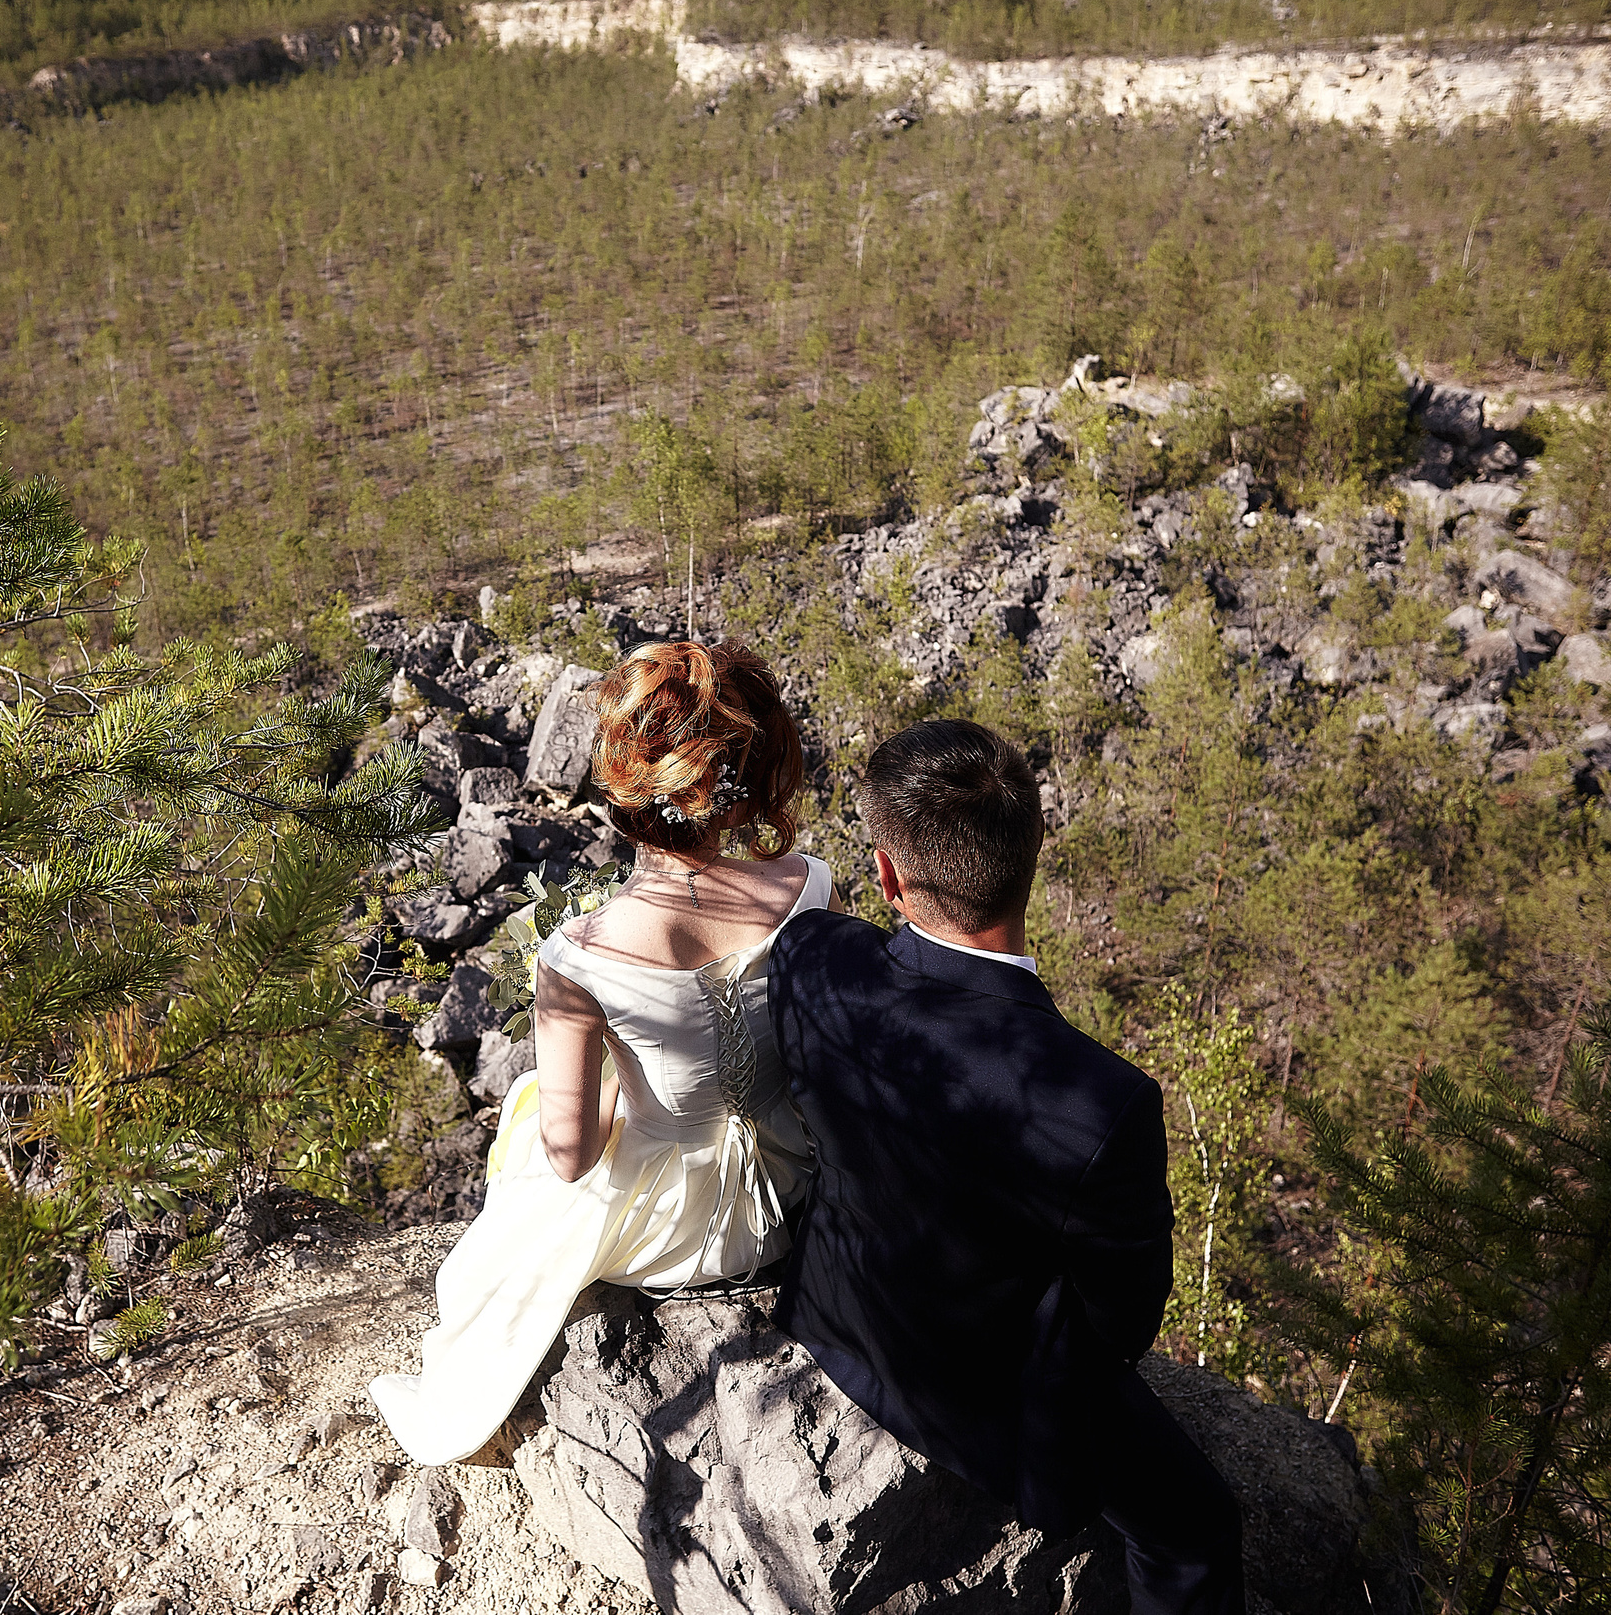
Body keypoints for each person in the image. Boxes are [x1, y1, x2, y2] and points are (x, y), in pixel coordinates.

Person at [769, 719, 1247, 1615]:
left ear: (887, 875)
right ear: (1033, 855)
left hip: (836, 1311)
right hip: (987, 1406)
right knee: (1197, 1531)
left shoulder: (811, 958)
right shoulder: (1103, 1102)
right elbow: (1122, 1323)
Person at [369, 639, 831, 1466]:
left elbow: (574, 1157)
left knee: (530, 1117)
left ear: (622, 786)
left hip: (686, 1233)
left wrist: (624, 1083)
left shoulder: (579, 957)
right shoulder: (808, 887)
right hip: (793, 1183)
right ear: (737, 784)